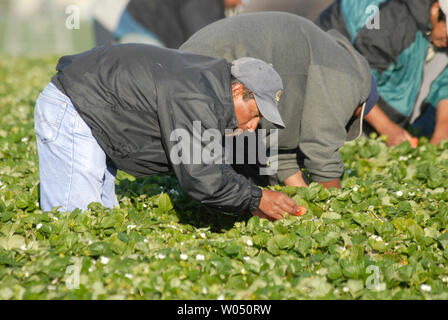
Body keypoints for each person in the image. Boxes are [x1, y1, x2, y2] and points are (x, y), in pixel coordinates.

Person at [34, 44, 301, 221]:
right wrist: (256, 199)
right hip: (75, 106)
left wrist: (255, 196)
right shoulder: (198, 97)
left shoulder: (212, 86)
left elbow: (215, 163)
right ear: (237, 91)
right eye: (254, 113)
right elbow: (202, 178)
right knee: (74, 224)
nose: (253, 126)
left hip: (95, 111)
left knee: (100, 223)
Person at [180, 12, 379, 189]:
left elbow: (276, 146)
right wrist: (333, 211)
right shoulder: (348, 77)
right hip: (220, 60)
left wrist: (305, 200)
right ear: (360, 107)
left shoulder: (316, 61)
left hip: (188, 59)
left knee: (185, 148)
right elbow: (321, 150)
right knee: (201, 165)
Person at [316, 0, 448, 146]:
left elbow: (444, 85)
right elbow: (356, 80)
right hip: (329, 80)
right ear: (436, 10)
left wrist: (441, 138)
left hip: (375, 97)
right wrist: (388, 130)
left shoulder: (438, 36)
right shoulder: (393, 21)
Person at [93, 0, 243, 48]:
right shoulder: (208, 5)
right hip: (144, 28)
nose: (240, 3)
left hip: (135, 19)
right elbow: (203, 41)